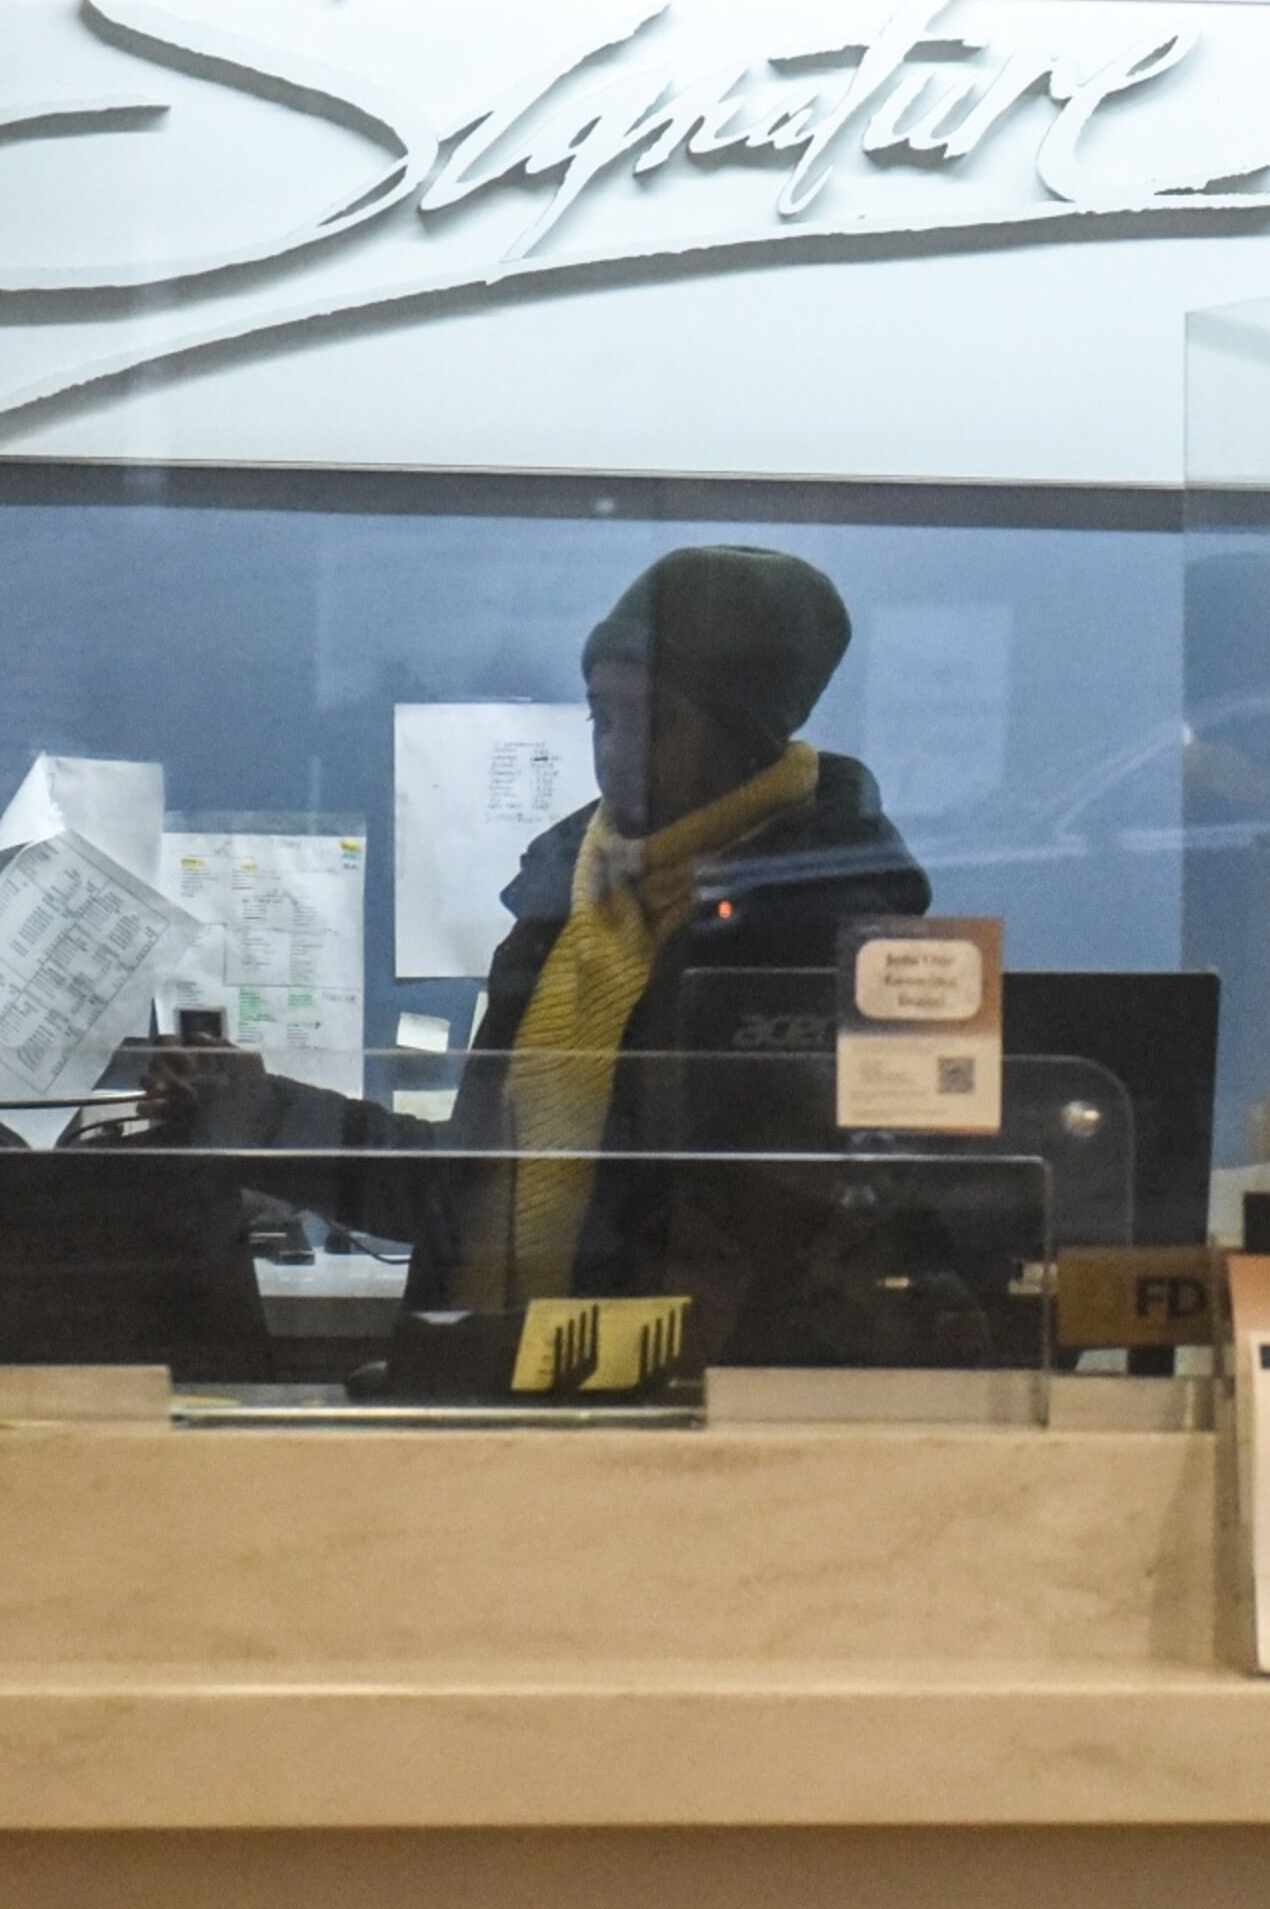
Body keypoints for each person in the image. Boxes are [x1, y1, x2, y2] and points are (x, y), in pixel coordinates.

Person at [162, 545, 930, 1347]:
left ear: (746, 739)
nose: (616, 750)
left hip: (678, 1424)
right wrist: (257, 1111)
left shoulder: (829, 937)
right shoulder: (562, 915)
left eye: (658, 720)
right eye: (604, 714)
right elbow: (467, 1195)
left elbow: (795, 1252)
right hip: (508, 1387)